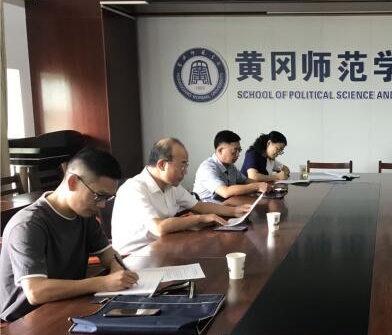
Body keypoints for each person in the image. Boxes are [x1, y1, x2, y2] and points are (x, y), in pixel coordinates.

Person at [0, 148, 139, 322]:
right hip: (25, 320)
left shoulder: (84, 215)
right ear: (72, 182)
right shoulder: (28, 225)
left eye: (108, 198)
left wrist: (117, 268)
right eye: (98, 196)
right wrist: (103, 283)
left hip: (67, 305)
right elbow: (36, 292)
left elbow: (108, 255)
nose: (102, 205)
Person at [111, 138, 252, 254]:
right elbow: (159, 227)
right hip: (135, 258)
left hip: (162, 247)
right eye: (182, 165)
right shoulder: (134, 189)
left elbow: (199, 206)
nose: (185, 171)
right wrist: (200, 218)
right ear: (162, 165)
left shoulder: (170, 185)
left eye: (186, 165)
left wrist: (235, 211)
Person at [193, 130, 270, 202]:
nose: (238, 155)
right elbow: (225, 192)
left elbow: (245, 180)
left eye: (239, 151)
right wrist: (257, 186)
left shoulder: (231, 166)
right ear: (220, 150)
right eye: (234, 151)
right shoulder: (207, 168)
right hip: (206, 208)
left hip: (225, 204)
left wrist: (265, 185)